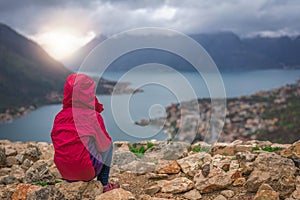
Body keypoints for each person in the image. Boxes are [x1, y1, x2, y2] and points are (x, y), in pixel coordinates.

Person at [51, 73, 119, 192]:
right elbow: (104, 146)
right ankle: (103, 185)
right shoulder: (93, 116)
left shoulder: (59, 117)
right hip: (86, 172)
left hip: (65, 173)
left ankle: (72, 178)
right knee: (109, 144)